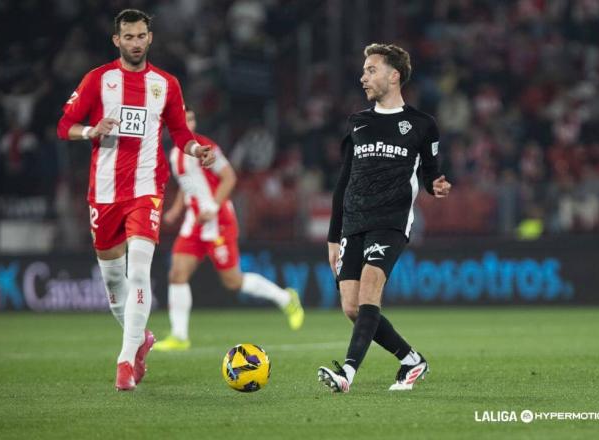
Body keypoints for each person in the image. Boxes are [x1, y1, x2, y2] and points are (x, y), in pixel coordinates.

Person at [56, 9, 215, 391]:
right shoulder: (98, 79)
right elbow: (65, 126)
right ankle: (140, 339)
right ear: (117, 40)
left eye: (141, 35)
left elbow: (180, 132)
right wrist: (92, 130)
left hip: (147, 189)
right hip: (105, 193)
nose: (135, 42)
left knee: (139, 272)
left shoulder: (166, 84)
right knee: (114, 285)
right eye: (128, 36)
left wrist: (196, 150)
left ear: (150, 38)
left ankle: (125, 362)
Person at [317, 43, 451, 393]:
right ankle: (411, 359)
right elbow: (343, 181)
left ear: (394, 75)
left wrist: (435, 184)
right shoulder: (357, 122)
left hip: (390, 221)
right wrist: (334, 237)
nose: (363, 77)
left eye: (370, 70)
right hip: (353, 222)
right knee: (351, 307)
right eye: (364, 71)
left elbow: (430, 173)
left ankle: (346, 373)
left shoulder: (422, 125)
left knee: (370, 292)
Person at [154, 109, 305, 352]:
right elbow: (187, 183)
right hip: (194, 222)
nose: (188, 124)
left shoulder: (205, 146)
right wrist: (176, 208)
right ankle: (180, 336)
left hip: (218, 220)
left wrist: (212, 207)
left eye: (192, 119)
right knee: (177, 274)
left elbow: (229, 178)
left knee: (233, 281)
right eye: (183, 120)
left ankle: (286, 299)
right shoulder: (175, 154)